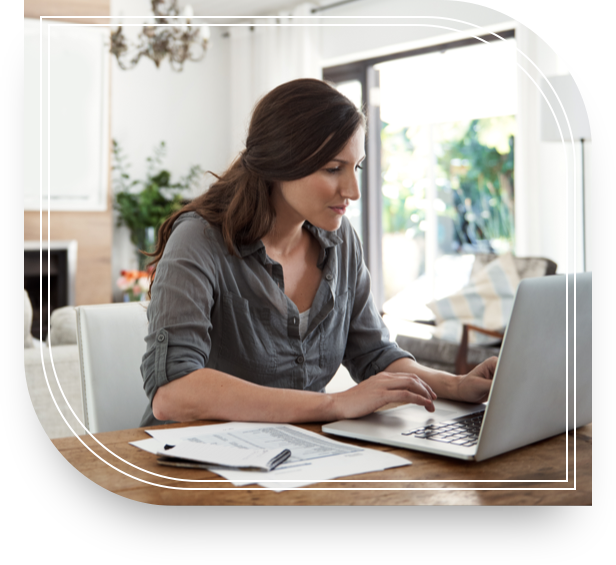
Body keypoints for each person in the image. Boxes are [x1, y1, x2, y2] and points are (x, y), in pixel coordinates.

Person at [139, 78, 496, 428]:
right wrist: (334, 403)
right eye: (333, 169)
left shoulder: (341, 242)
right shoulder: (198, 240)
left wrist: (457, 385)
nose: (353, 190)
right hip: (195, 462)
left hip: (298, 456)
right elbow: (173, 393)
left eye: (356, 167)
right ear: (281, 163)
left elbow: (374, 354)